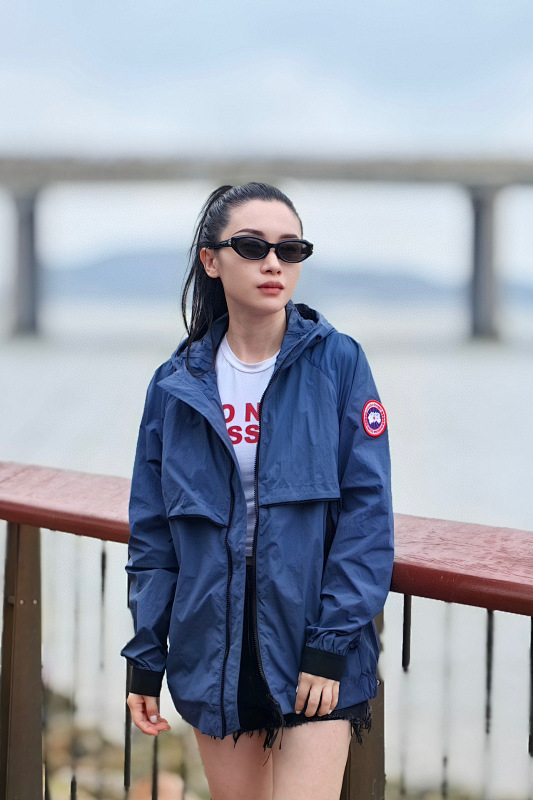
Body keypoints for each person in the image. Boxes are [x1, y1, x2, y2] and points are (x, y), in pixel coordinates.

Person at [121, 182, 394, 800]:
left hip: (314, 645)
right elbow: (154, 535)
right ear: (211, 260)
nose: (274, 263)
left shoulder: (338, 364)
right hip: (213, 650)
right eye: (252, 246)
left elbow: (367, 514)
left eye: (290, 249)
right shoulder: (174, 385)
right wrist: (146, 656)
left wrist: (329, 646)